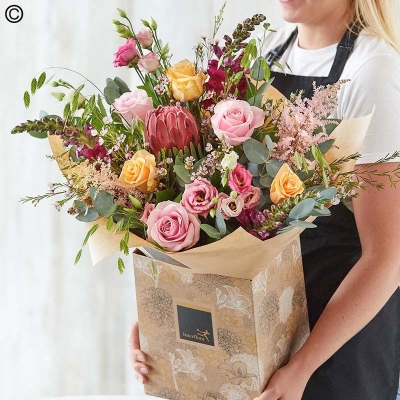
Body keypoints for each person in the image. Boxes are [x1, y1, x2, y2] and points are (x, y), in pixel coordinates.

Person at [130, 0, 400, 399]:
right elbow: (220, 218)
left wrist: (301, 367)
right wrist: (160, 317)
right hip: (260, 336)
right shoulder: (266, 54)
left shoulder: (372, 71)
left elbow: (387, 260)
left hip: (336, 351)